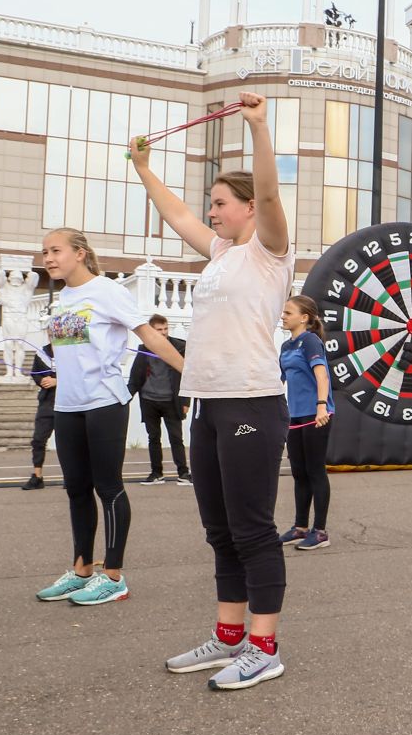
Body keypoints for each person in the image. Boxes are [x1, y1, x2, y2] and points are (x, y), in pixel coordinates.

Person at [132, 91, 296, 692]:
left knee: (253, 528)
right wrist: (145, 166)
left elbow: (273, 195)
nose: (214, 212)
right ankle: (228, 639)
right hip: (208, 404)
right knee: (220, 530)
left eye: (222, 204)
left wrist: (258, 127)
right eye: (213, 205)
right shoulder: (222, 255)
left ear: (248, 209)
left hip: (253, 399)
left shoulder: (271, 251)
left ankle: (264, 646)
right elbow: (177, 216)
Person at [33, 229, 185, 607]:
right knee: (76, 489)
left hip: (104, 402)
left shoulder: (108, 291)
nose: (48, 258)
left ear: (80, 253)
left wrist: (191, 374)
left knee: (108, 486)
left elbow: (149, 337)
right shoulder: (63, 298)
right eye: (45, 252)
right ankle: (81, 570)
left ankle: (113, 576)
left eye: (55, 250)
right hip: (67, 405)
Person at [276, 295, 334, 551]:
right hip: (295, 416)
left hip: (316, 415)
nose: (283, 316)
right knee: (299, 473)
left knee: (315, 471)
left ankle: (320, 531)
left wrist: (322, 406)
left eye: (288, 313)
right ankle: (300, 527)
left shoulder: (310, 341)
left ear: (304, 317)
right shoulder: (286, 346)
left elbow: (321, 375)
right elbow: (279, 381)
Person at [127, 313, 190, 486]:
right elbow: (135, 378)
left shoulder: (179, 347)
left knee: (176, 438)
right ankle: (156, 473)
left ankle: (183, 473)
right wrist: (124, 399)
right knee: (153, 438)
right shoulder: (144, 349)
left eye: (165, 329)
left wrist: (186, 401)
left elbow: (187, 375)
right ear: (152, 331)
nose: (163, 333)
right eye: (159, 330)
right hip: (149, 400)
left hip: (171, 400)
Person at [22, 341, 56, 491]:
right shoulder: (42, 353)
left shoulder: (70, 351)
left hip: (66, 401)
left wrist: (57, 381)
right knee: (38, 440)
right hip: (47, 402)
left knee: (68, 443)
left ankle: (71, 477)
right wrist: (41, 380)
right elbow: (35, 372)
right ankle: (37, 476)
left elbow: (79, 373)